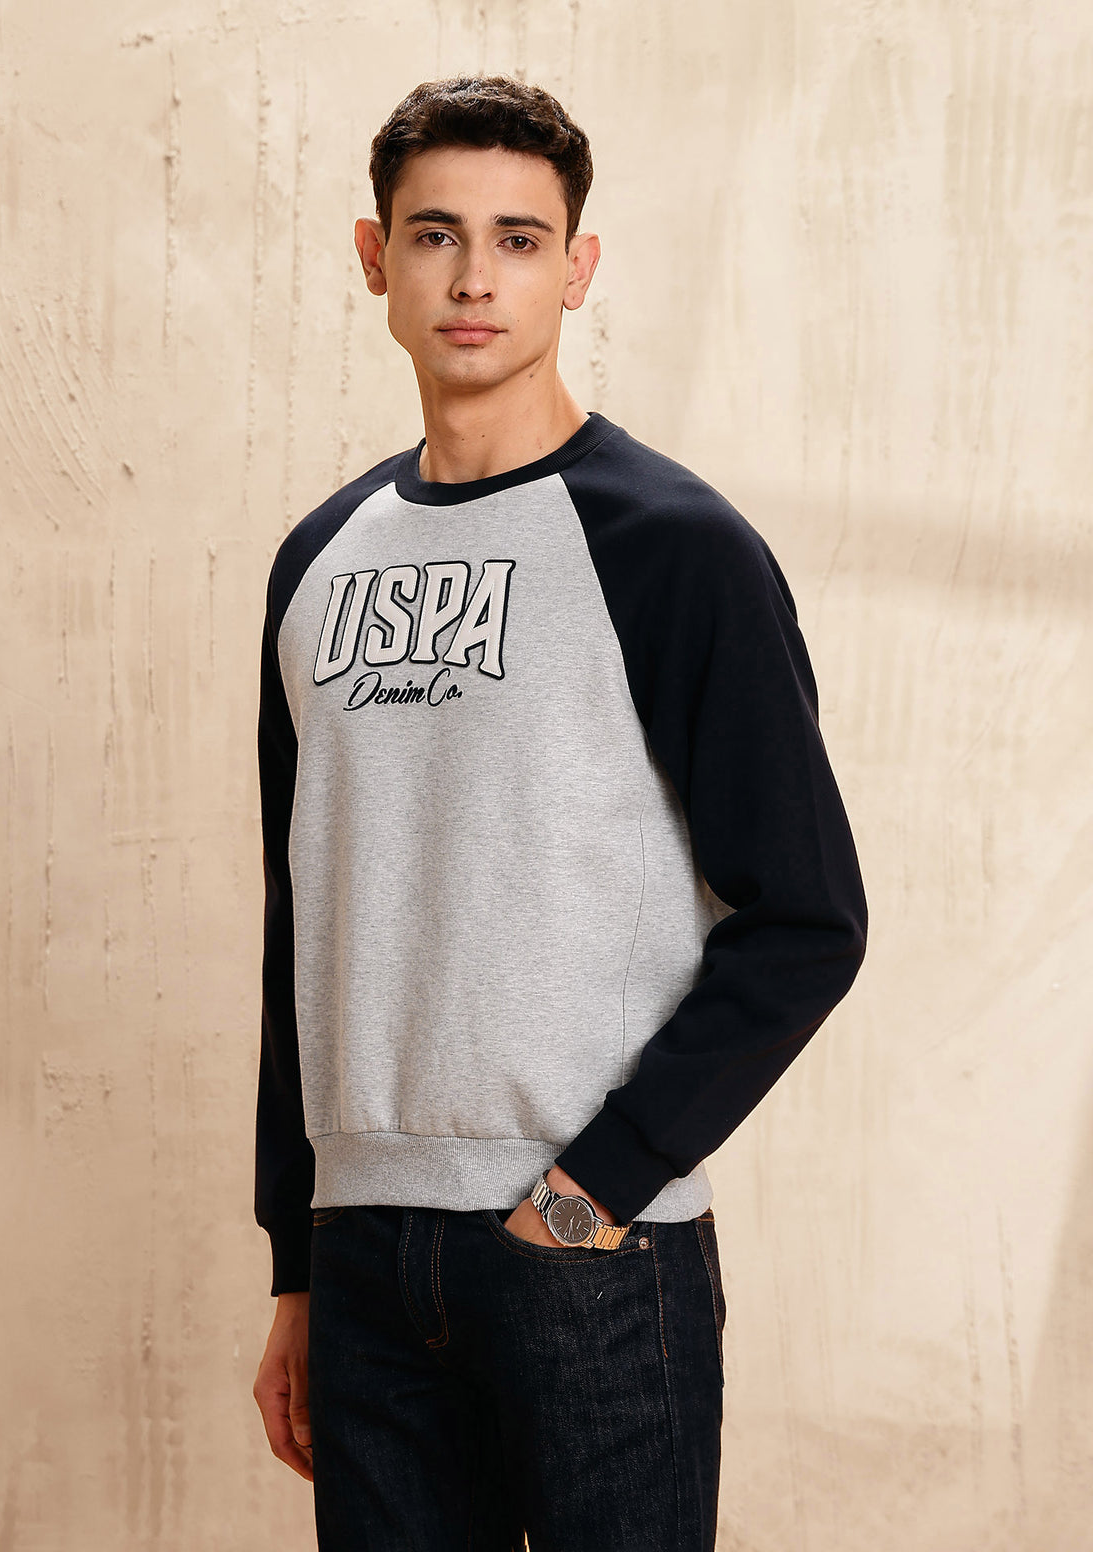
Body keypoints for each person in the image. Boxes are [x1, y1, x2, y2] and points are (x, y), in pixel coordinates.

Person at [250, 74, 867, 1552]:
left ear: (577, 268)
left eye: (519, 240)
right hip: (364, 1253)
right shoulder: (317, 561)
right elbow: (300, 925)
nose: (475, 278)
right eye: (435, 234)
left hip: (591, 1248)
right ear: (373, 258)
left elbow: (807, 918)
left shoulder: (675, 546)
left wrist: (595, 1193)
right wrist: (297, 1262)